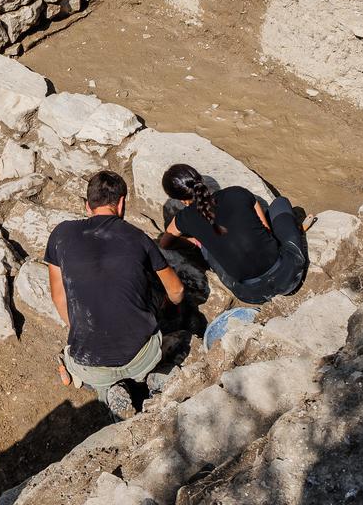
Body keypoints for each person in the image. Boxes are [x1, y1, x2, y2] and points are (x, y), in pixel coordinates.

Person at [45, 169, 185, 418]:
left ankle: (109, 392)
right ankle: (151, 377)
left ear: (88, 206)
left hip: (91, 362)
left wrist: (80, 325)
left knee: (77, 364)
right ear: (121, 203)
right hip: (142, 355)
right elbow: (177, 290)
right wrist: (171, 306)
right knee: (152, 289)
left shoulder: (60, 235)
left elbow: (58, 297)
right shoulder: (139, 238)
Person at [158, 164, 307, 305]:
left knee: (206, 247)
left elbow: (165, 243)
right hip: (290, 275)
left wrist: (194, 241)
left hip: (250, 294)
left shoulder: (183, 219)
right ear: (201, 181)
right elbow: (267, 231)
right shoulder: (237, 192)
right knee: (280, 202)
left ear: (182, 200)